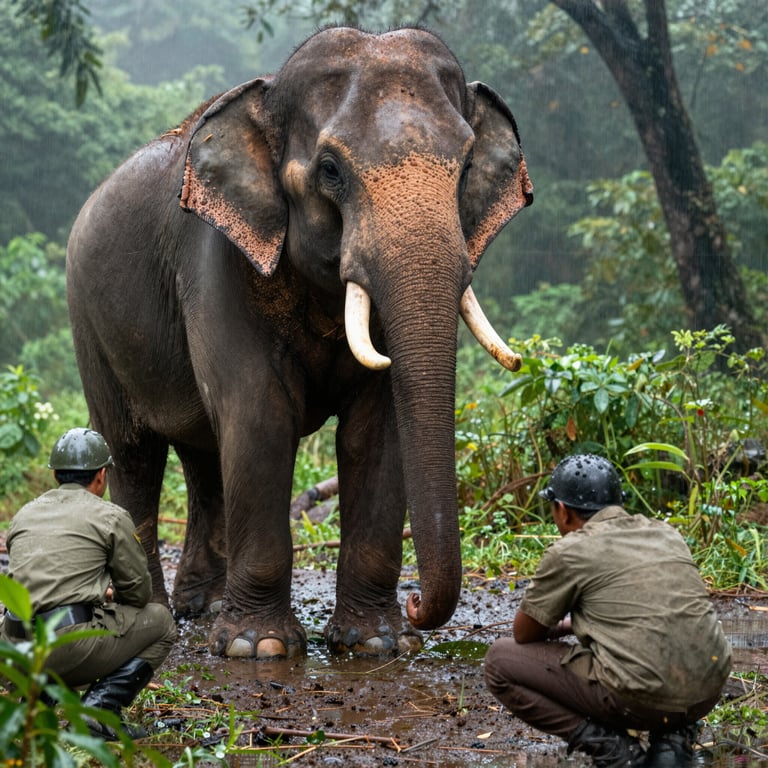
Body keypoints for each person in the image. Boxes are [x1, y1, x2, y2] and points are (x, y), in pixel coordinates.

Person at [484, 454, 731, 768]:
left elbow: (524, 634)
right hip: (707, 689)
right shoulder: (666, 534)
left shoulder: (570, 550)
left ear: (561, 509)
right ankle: (674, 740)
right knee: (667, 653)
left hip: (642, 697)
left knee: (499, 661)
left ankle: (616, 752)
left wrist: (566, 623)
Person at [1, 427, 177, 740]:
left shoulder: (24, 514)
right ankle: (100, 709)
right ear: (101, 476)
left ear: (55, 474)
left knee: (63, 623)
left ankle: (40, 704)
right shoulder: (110, 516)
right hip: (64, 648)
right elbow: (138, 594)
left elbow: (39, 582)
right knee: (162, 622)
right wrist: (106, 596)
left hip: (13, 652)